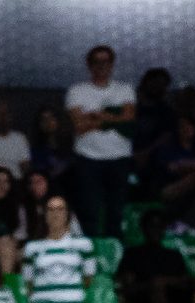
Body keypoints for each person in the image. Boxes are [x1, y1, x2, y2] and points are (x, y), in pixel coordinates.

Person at [63, 46, 135, 237]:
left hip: (119, 157)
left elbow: (129, 117)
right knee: (89, 208)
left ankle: (115, 250)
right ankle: (91, 250)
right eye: (97, 61)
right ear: (89, 65)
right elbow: (78, 125)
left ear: (112, 64)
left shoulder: (124, 90)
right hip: (88, 158)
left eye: (106, 61)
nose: (101, 66)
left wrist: (95, 117)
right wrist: (113, 116)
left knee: (116, 209)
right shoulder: (77, 91)